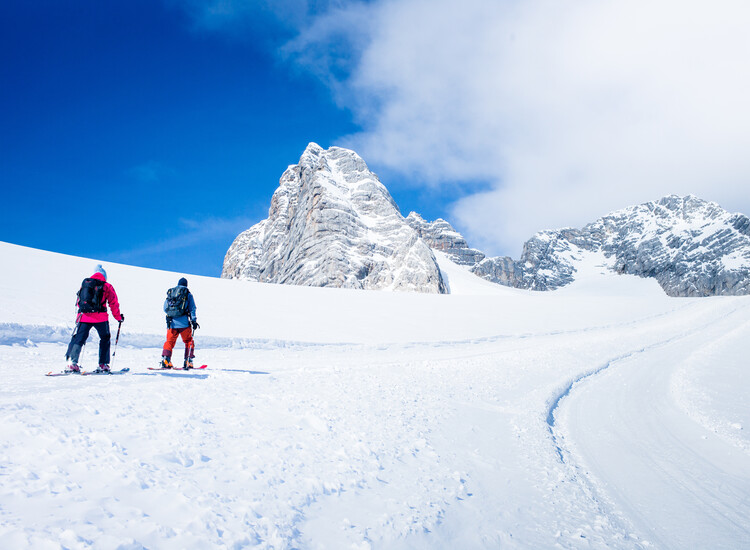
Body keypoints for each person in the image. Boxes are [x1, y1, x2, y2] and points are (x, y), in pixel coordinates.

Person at [65, 264, 124, 373]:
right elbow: (113, 304)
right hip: (101, 318)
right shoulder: (107, 286)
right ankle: (103, 364)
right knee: (105, 338)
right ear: (104, 276)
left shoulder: (85, 284)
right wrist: (119, 318)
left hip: (84, 317)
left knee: (79, 338)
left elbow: (79, 302)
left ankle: (72, 363)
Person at [161, 277, 199, 369]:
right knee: (188, 341)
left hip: (172, 323)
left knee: (169, 341)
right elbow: (192, 308)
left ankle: (166, 359)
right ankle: (188, 361)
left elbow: (165, 308)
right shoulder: (188, 294)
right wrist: (194, 320)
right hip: (184, 324)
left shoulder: (172, 293)